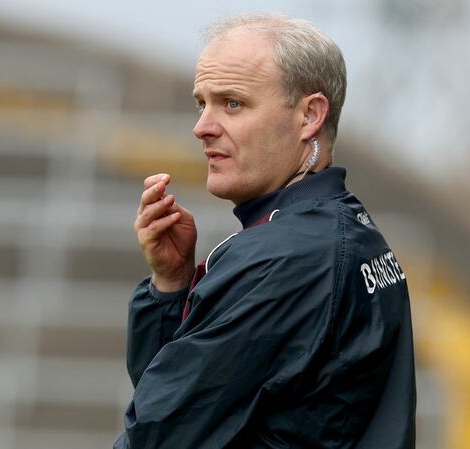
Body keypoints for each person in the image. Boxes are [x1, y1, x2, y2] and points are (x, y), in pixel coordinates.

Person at [113, 14, 415, 449]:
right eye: (203, 103)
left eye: (232, 103)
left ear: (310, 115)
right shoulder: (348, 230)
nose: (203, 127)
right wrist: (171, 287)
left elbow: (159, 437)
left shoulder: (284, 259)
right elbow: (174, 402)